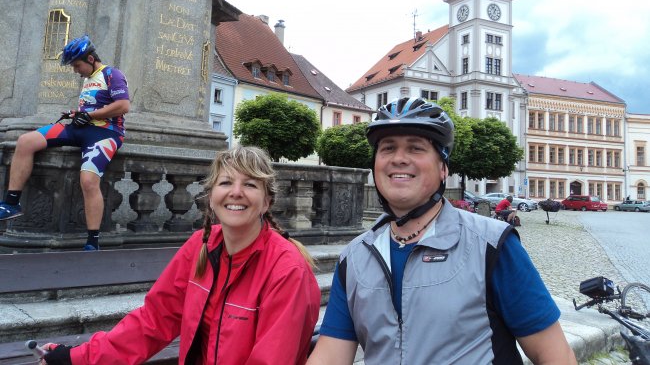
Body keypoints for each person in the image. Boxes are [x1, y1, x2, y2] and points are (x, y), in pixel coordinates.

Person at [308, 97, 577, 365]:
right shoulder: (355, 257)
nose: (399, 159)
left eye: (415, 148)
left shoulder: (491, 245)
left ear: (443, 168)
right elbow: (330, 354)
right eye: (388, 148)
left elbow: (555, 355)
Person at [40, 145, 321, 365]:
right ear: (211, 196)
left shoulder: (286, 269)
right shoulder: (201, 246)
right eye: (226, 183)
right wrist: (77, 358)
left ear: (267, 202)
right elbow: (154, 320)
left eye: (250, 184)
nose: (236, 193)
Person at [0, 35, 130, 251]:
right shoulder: (89, 78)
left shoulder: (112, 74)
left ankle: (92, 242)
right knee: (25, 141)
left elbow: (123, 105)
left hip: (106, 133)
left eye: (77, 65)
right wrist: (77, 114)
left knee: (88, 180)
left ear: (90, 59)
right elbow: (92, 109)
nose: (75, 71)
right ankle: (11, 204)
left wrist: (89, 115)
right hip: (80, 129)